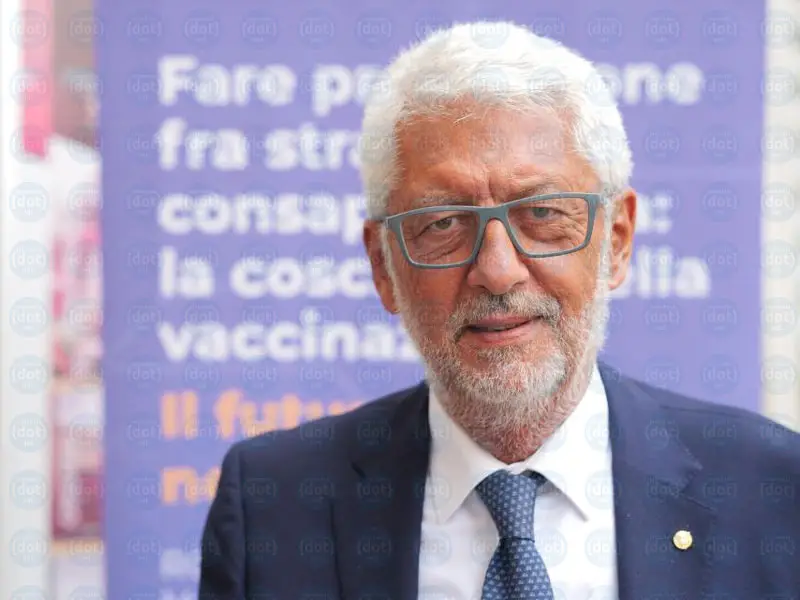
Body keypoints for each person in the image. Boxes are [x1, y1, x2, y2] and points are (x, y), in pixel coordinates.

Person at [199, 21, 800, 600]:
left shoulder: (774, 493)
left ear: (616, 242)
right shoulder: (274, 504)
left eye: (542, 214)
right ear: (384, 266)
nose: (498, 270)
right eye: (443, 223)